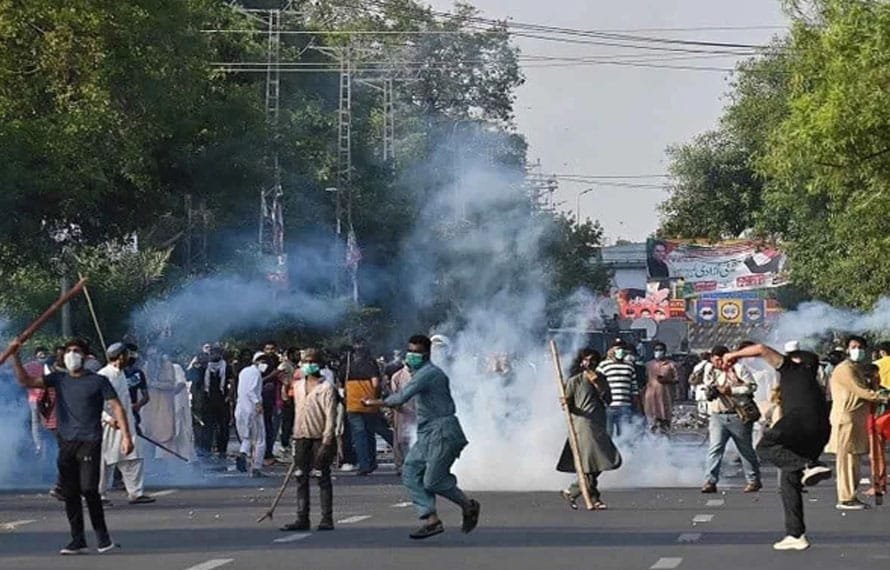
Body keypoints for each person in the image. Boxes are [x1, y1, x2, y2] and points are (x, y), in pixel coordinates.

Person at [10, 338, 134, 555]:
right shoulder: (58, 379)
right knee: (70, 492)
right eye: (68, 350)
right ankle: (78, 540)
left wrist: (126, 436)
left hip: (90, 441)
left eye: (76, 351)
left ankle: (103, 538)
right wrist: (16, 356)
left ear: (85, 356)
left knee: (88, 489)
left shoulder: (98, 381)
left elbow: (117, 407)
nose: (72, 354)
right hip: (66, 442)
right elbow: (26, 381)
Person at [362, 335, 480, 540]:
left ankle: (468, 505)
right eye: (409, 351)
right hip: (427, 432)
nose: (411, 356)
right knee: (409, 471)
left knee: (433, 481)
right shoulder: (419, 373)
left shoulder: (430, 374)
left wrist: (373, 403)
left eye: (416, 353)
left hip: (443, 431)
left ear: (426, 354)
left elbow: (401, 398)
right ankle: (430, 520)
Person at [724, 342, 832, 551]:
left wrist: (734, 354)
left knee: (765, 446)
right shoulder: (814, 380)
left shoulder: (792, 368)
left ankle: (808, 466)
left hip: (798, 422)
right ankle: (795, 534)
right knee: (789, 480)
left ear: (795, 360)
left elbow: (762, 349)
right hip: (820, 430)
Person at [827, 336, 889, 509]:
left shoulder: (858, 368)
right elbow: (861, 391)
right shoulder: (845, 369)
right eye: (854, 346)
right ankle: (845, 498)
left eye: (860, 347)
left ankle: (851, 496)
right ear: (847, 349)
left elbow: (870, 389)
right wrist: (883, 396)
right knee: (846, 460)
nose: (857, 350)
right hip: (846, 419)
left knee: (854, 460)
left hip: (857, 420)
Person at [280, 349, 337, 532]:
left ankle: (326, 519)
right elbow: (288, 403)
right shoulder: (297, 386)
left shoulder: (326, 388)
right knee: (300, 478)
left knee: (322, 477)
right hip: (301, 436)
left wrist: (328, 439)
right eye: (305, 361)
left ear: (319, 364)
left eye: (311, 361)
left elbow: (331, 416)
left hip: (320, 437)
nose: (307, 364)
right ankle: (302, 518)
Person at [557, 348, 621, 511]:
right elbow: (569, 406)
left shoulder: (601, 378)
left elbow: (608, 399)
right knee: (592, 462)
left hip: (599, 423)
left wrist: (598, 384)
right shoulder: (575, 381)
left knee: (599, 462)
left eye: (593, 360)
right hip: (583, 426)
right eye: (587, 359)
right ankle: (591, 497)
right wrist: (565, 402)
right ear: (581, 361)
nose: (590, 362)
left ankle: (573, 491)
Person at [699, 345, 762, 494]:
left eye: (719, 360)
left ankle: (753, 480)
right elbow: (706, 385)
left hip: (738, 414)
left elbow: (752, 387)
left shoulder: (738, 369)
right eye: (714, 361)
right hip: (717, 414)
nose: (716, 364)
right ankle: (710, 481)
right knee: (715, 449)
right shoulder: (711, 370)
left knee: (745, 450)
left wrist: (731, 390)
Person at [98, 343, 155, 505]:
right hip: (108, 425)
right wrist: (108, 419)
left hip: (127, 423)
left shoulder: (123, 374)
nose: (130, 358)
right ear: (120, 356)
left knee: (133, 457)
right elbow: (94, 404)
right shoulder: (103, 375)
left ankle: (136, 493)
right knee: (104, 461)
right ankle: (99, 495)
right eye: (127, 354)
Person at [344, 338, 393, 475]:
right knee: (370, 432)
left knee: (360, 434)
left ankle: (364, 465)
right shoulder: (371, 363)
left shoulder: (347, 364)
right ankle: (371, 462)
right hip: (370, 402)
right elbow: (376, 383)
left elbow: (340, 382)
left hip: (352, 403)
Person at [595, 340, 638, 438]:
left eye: (623, 348)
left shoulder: (629, 365)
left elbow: (634, 387)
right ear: (611, 350)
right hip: (609, 406)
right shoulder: (603, 365)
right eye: (618, 348)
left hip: (625, 406)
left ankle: (624, 453)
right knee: (608, 434)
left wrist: (636, 403)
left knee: (624, 435)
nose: (621, 351)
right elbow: (597, 384)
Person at [235, 352, 269, 477]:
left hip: (241, 409)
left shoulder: (244, 371)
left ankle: (243, 454)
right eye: (262, 361)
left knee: (246, 437)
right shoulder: (256, 373)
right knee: (260, 439)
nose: (264, 364)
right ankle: (256, 468)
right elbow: (251, 391)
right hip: (253, 410)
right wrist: (258, 404)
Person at [388, 361, 416, 474]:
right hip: (401, 410)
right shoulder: (397, 376)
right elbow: (394, 394)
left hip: (416, 409)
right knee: (400, 439)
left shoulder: (421, 375)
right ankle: (400, 464)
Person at [643, 342, 678, 434]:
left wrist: (667, 380)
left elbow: (677, 380)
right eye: (656, 350)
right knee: (652, 421)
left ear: (665, 351)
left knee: (665, 421)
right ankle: (652, 443)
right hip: (651, 397)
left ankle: (665, 443)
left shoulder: (671, 365)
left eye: (660, 350)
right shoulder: (648, 365)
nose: (658, 352)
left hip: (665, 397)